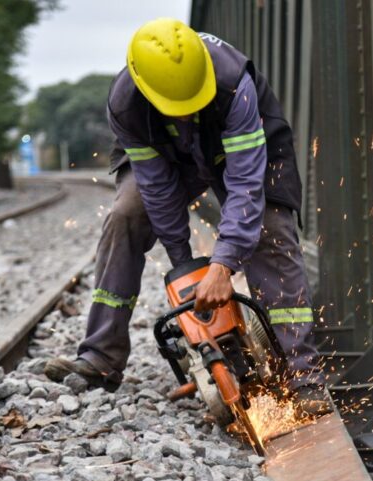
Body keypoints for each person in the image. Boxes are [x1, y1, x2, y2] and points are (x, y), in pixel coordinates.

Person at [44, 18, 331, 415]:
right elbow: (158, 191)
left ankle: (303, 377)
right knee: (126, 213)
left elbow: (247, 183)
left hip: (239, 146)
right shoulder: (126, 103)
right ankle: (101, 357)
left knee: (270, 229)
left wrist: (223, 264)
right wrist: (187, 271)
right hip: (168, 156)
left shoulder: (234, 84)